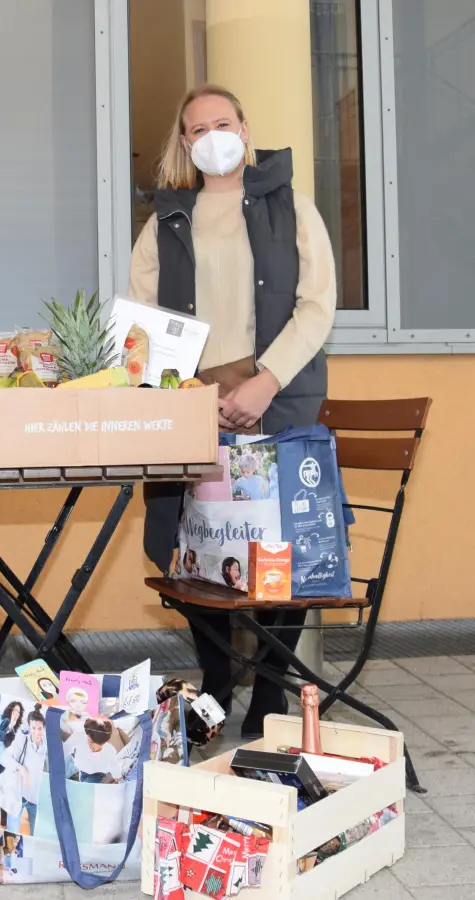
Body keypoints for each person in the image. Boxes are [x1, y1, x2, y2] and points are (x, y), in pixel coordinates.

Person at [131, 85, 336, 738]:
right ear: (184, 143)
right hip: (195, 403)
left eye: (224, 123)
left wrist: (264, 383)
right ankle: (217, 679)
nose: (213, 136)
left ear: (245, 130)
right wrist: (189, 397)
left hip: (274, 392)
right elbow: (142, 324)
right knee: (197, 548)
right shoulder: (165, 220)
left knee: (283, 552)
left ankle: (270, 692)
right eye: (198, 128)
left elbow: (317, 304)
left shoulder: (292, 207)